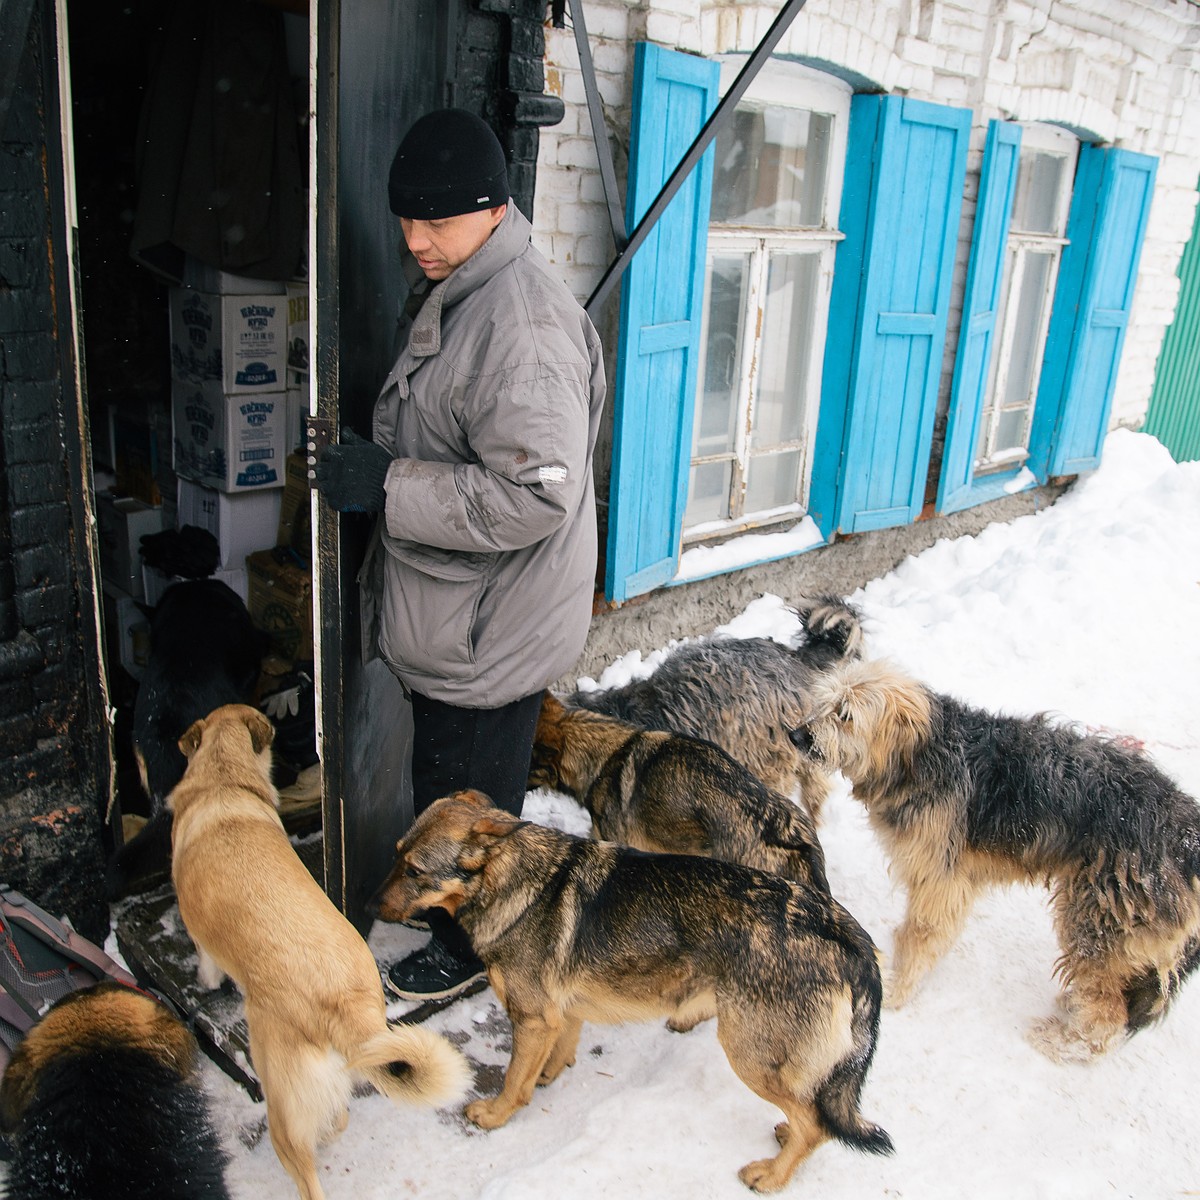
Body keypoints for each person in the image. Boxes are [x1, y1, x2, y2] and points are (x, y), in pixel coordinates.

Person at [315, 108, 606, 1002]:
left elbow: (534, 492)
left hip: (492, 627)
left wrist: (388, 485)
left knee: (467, 814)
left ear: (491, 209)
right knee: (462, 796)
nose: (414, 240)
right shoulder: (478, 285)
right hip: (475, 610)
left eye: (435, 221)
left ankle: (474, 950)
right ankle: (476, 930)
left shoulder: (519, 333)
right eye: (406, 219)